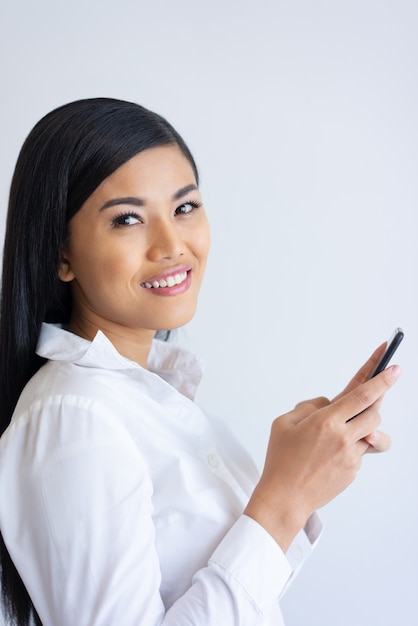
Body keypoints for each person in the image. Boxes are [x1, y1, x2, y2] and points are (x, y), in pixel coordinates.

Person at [0, 98, 399, 626]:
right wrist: (283, 499)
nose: (172, 245)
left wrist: (301, 479)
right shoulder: (76, 415)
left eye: (184, 207)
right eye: (127, 219)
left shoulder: (142, 400)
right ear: (61, 254)